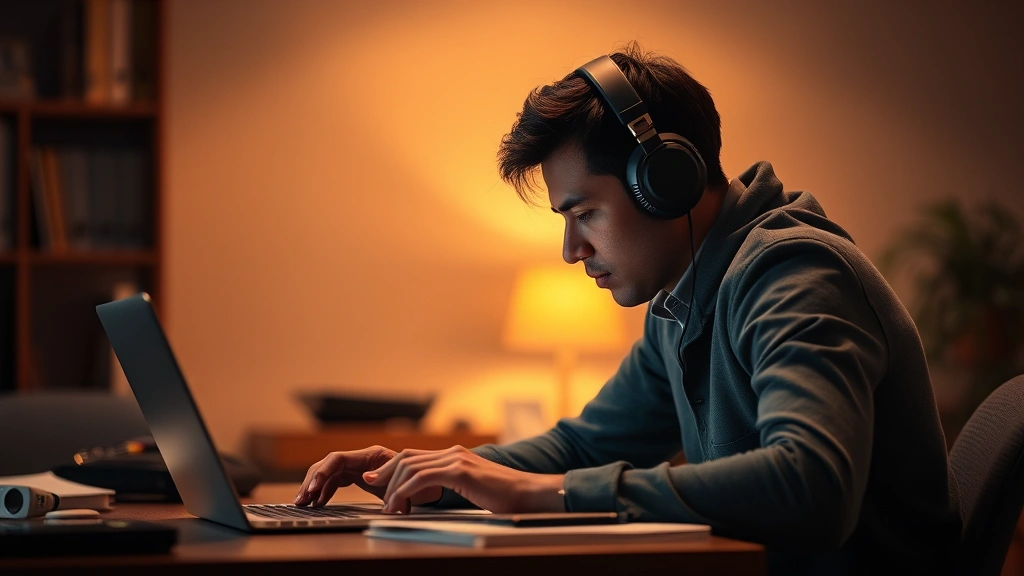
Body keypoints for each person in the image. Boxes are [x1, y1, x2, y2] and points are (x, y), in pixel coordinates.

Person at [294, 43, 959, 575]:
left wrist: (537, 494)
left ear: (665, 178)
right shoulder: (684, 297)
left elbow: (811, 486)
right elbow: (584, 445)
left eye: (586, 213)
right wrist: (437, 472)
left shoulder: (795, 274)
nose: (571, 248)